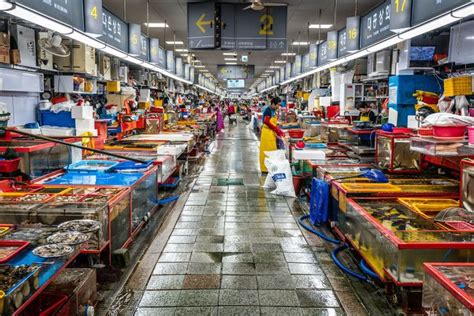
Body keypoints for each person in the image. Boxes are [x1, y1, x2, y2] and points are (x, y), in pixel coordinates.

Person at [259, 97, 285, 173]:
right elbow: (266, 122)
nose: (278, 106)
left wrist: (276, 128)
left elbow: (272, 122)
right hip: (267, 133)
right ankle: (265, 168)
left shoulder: (273, 110)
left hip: (270, 133)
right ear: (273, 103)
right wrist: (276, 129)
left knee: (272, 151)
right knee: (267, 151)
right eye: (278, 105)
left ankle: (270, 167)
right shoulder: (268, 110)